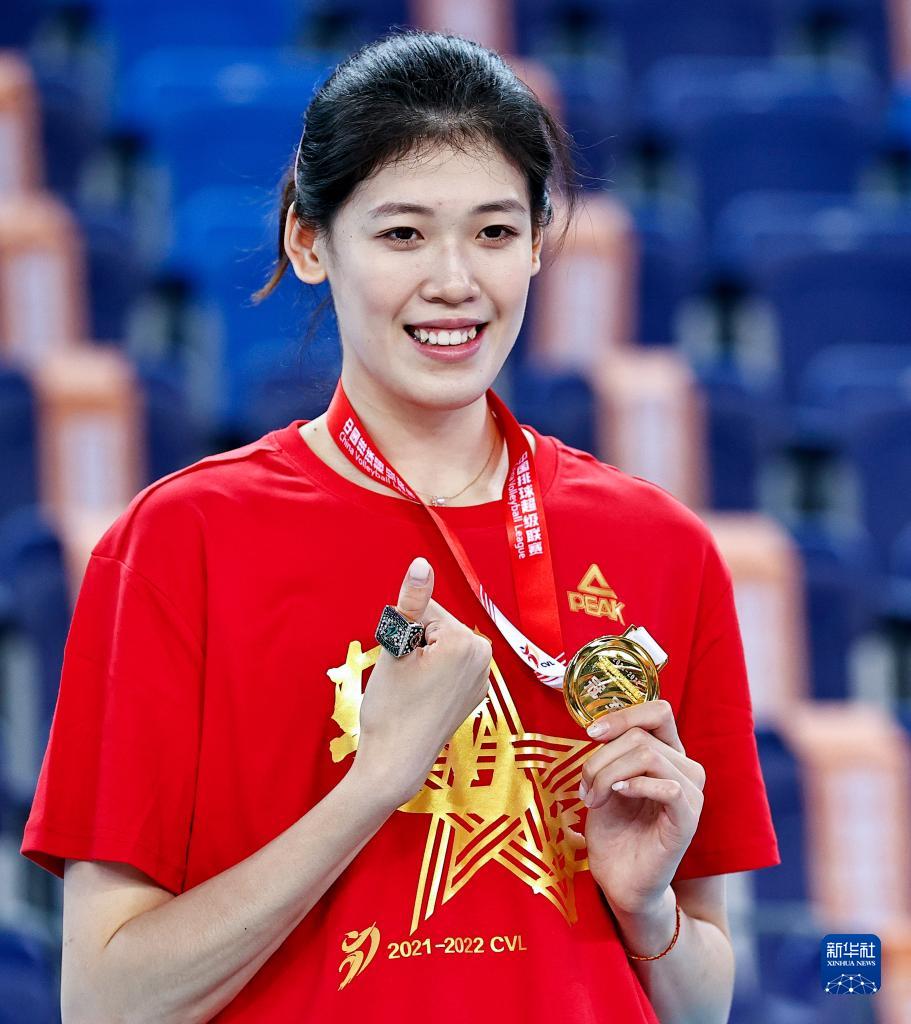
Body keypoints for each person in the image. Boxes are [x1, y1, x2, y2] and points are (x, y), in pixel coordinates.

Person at [21, 28, 779, 1024]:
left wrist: (647, 914)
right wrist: (375, 780)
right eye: (402, 234)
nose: (455, 280)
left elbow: (702, 1002)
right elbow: (106, 1002)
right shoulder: (180, 542)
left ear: (539, 243)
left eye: (494, 232)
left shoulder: (662, 547)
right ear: (308, 242)